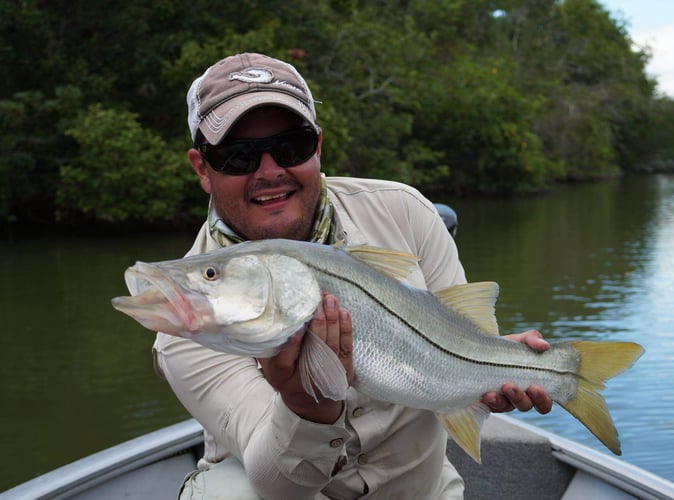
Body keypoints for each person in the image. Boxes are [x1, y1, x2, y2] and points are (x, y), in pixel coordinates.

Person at [153, 52, 552, 499]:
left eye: (292, 146)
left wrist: (490, 374)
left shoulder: (406, 213)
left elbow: (467, 341)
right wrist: (308, 407)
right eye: (236, 155)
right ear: (202, 168)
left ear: (318, 146)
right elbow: (276, 485)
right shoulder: (187, 318)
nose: (269, 171)